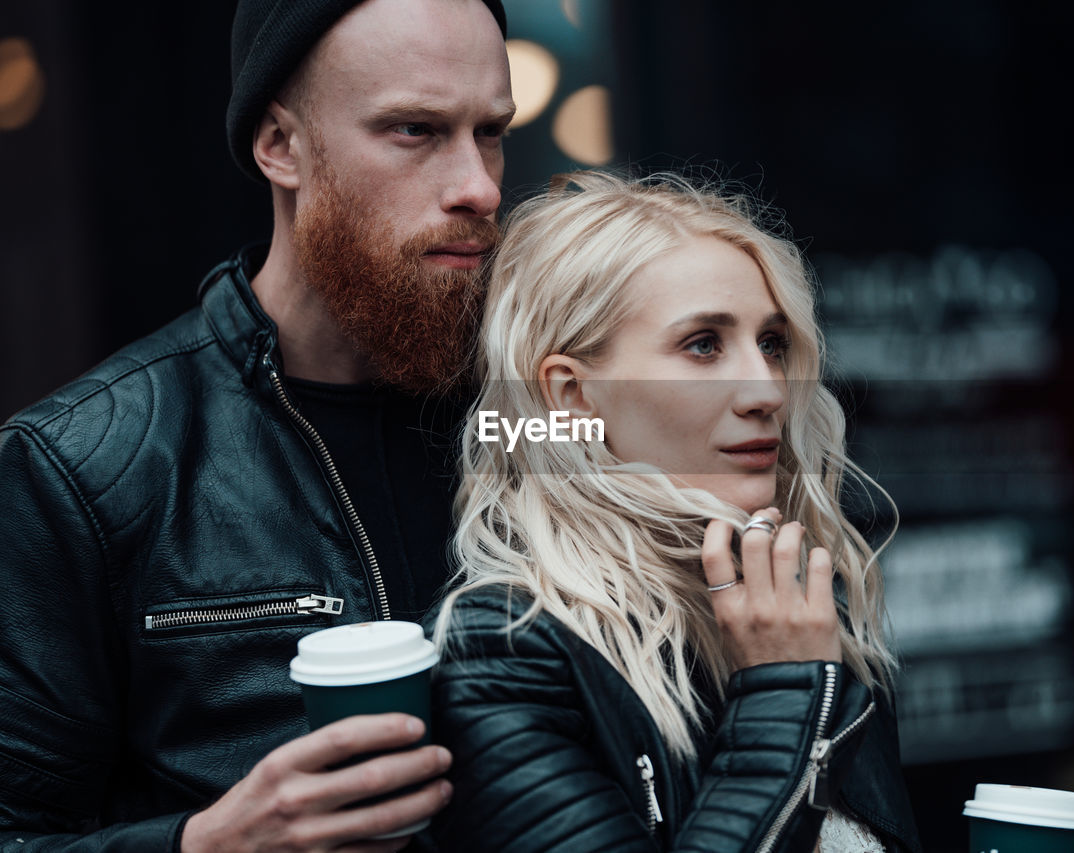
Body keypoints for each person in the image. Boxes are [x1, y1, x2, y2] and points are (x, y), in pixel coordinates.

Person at [0, 0, 513, 849]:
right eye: (415, 130)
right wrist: (204, 844)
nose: (480, 186)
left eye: (490, 131)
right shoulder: (83, 468)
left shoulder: (544, 418)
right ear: (281, 147)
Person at [425, 171, 923, 852]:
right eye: (704, 344)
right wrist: (782, 691)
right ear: (572, 395)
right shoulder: (504, 653)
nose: (767, 390)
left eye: (772, 343)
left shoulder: (799, 603)